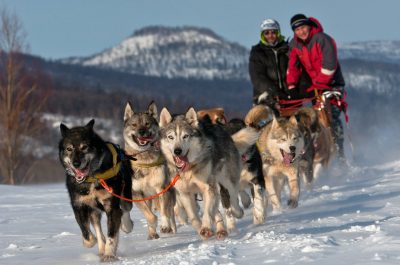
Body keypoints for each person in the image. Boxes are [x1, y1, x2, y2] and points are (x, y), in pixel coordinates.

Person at [286, 14, 347, 160]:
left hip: (332, 83)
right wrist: (292, 85)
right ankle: (324, 151)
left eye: (303, 27)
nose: (301, 31)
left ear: (309, 26)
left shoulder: (322, 39)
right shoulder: (295, 45)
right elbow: (293, 67)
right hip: (316, 87)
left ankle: (339, 152)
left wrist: (320, 83)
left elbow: (330, 65)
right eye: (297, 29)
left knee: (331, 116)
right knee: (319, 119)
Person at [249, 18, 311, 116]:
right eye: (267, 33)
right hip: (266, 98)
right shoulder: (257, 52)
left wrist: (302, 88)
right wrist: (275, 92)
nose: (270, 36)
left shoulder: (287, 48)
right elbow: (258, 78)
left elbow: (298, 69)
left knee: (299, 126)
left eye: (273, 32)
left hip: (290, 97)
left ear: (278, 33)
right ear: (262, 35)